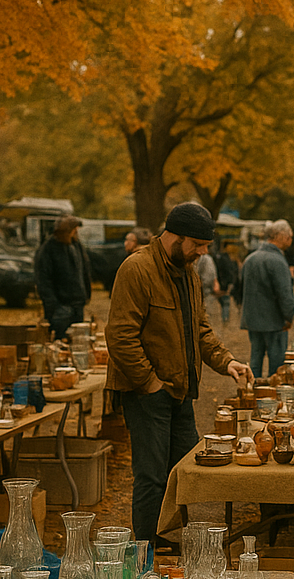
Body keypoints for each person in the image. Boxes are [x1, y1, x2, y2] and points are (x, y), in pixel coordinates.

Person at [106, 202, 252, 543]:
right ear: (174, 236)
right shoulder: (137, 269)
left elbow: (199, 328)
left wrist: (226, 360)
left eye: (204, 247)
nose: (201, 253)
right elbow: (120, 336)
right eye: (196, 245)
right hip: (148, 394)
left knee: (183, 473)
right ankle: (146, 552)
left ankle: (171, 539)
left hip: (181, 392)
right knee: (152, 477)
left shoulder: (188, 273)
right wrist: (150, 383)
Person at [240, 219, 294, 378]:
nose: (290, 241)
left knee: (255, 359)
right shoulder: (277, 260)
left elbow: (240, 287)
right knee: (276, 365)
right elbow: (285, 293)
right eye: (289, 237)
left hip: (253, 319)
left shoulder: (251, 258)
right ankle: (272, 395)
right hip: (274, 321)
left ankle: (253, 391)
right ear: (279, 236)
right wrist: (289, 316)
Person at [34, 215, 92, 339]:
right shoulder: (47, 250)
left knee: (78, 341)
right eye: (73, 230)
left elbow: (84, 271)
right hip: (60, 307)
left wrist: (86, 294)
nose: (75, 233)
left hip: (77, 304)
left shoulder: (76, 245)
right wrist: (54, 306)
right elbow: (43, 281)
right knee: (60, 341)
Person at [211, 237, 238, 326]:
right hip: (223, 285)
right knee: (226, 303)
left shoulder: (219, 257)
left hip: (219, 284)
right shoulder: (226, 259)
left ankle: (224, 319)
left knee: (223, 303)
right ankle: (225, 319)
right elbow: (229, 273)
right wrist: (229, 284)